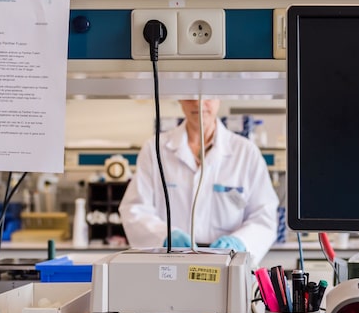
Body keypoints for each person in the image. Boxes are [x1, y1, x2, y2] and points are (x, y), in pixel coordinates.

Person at [119, 98, 279, 266]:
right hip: (170, 262)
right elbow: (134, 209)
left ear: (219, 97)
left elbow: (265, 216)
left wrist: (239, 242)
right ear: (179, 98)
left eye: (208, 96)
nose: (199, 103)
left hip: (229, 263)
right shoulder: (155, 148)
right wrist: (165, 236)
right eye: (190, 96)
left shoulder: (246, 152)